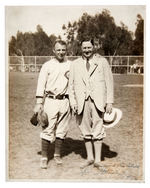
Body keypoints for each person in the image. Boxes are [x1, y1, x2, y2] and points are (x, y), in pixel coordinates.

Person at [69, 38, 114, 168]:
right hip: (81, 102)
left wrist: (109, 101)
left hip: (98, 101)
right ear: (81, 48)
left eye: (89, 47)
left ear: (93, 47)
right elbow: (70, 86)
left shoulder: (102, 62)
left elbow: (109, 83)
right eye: (84, 48)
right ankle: (89, 158)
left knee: (98, 128)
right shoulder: (75, 64)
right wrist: (73, 103)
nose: (87, 50)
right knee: (85, 129)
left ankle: (98, 160)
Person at [34, 40, 71, 169]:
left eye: (63, 50)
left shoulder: (71, 65)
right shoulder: (47, 65)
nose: (61, 52)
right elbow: (41, 84)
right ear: (53, 51)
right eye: (58, 50)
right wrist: (39, 103)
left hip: (66, 101)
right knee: (47, 129)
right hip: (51, 100)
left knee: (62, 130)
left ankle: (57, 155)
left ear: (66, 50)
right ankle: (44, 157)